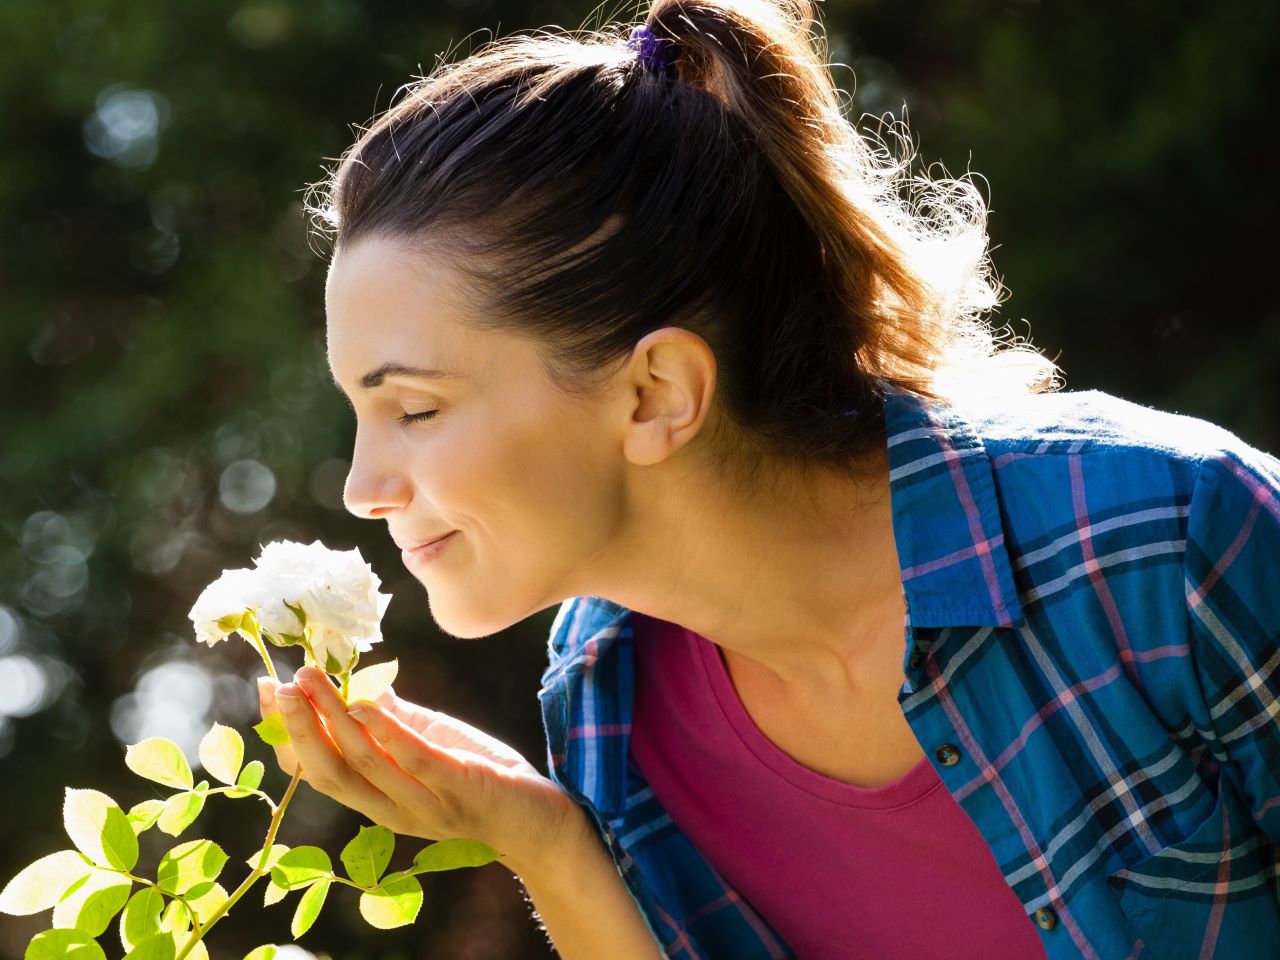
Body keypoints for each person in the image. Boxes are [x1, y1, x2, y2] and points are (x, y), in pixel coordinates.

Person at [255, 1, 1280, 957]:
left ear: (654, 392)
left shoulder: (1164, 539)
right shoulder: (607, 706)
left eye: (415, 410)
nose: (362, 486)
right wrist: (548, 847)